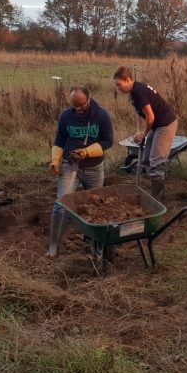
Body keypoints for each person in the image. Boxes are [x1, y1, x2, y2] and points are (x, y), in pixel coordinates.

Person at [48, 86, 114, 257]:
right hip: (70, 165)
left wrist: (87, 151)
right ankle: (54, 244)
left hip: (94, 168)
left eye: (81, 106)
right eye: (74, 106)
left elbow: (108, 141)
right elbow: (60, 139)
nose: (78, 110)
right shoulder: (66, 116)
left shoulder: (101, 115)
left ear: (89, 100)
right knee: (61, 205)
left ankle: (95, 241)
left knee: (95, 205)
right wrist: (56, 160)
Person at [113, 66, 178, 202]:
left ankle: (157, 199)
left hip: (165, 125)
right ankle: (153, 189)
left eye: (119, 85)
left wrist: (144, 133)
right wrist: (139, 130)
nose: (118, 88)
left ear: (128, 80)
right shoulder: (133, 92)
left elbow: (150, 116)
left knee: (155, 162)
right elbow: (140, 113)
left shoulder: (139, 91)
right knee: (147, 159)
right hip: (157, 125)